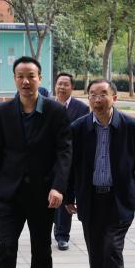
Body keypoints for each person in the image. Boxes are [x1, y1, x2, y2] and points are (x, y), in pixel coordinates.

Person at [0, 56, 72, 268]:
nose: (25, 81)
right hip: (9, 194)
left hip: (43, 194)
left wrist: (58, 186)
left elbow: (64, 152)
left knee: (41, 250)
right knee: (6, 248)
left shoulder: (56, 111)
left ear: (40, 79)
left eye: (31, 76)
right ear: (15, 79)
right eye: (20, 76)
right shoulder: (4, 111)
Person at [66, 79, 135, 268]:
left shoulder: (130, 125)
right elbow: (71, 165)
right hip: (90, 200)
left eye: (103, 94)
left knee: (111, 249)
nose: (97, 100)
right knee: (96, 253)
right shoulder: (78, 127)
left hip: (118, 201)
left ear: (114, 98)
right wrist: (68, 195)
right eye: (92, 95)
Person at [53, 72, 89, 250]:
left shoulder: (81, 108)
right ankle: (53, 226)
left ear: (72, 87)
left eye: (66, 84)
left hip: (69, 159)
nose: (62, 87)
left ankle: (62, 235)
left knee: (65, 194)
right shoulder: (47, 105)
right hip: (48, 160)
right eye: (59, 84)